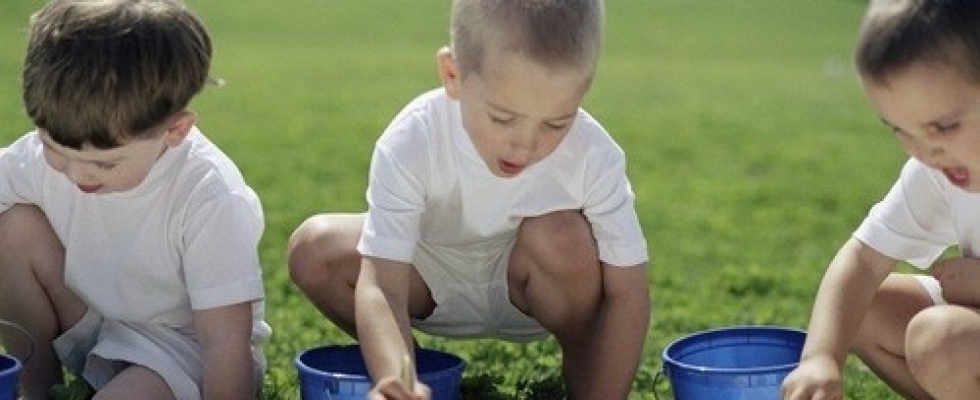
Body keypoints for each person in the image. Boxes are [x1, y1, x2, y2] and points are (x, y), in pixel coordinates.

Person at [287, 0, 651, 398]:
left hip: (531, 287)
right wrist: (400, 379)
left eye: (556, 123)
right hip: (429, 273)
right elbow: (383, 286)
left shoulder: (594, 153)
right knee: (312, 248)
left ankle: (584, 359)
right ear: (453, 75)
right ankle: (410, 372)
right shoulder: (414, 138)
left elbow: (629, 291)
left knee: (563, 235)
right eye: (502, 118)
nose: (525, 144)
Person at [0, 0, 271, 399]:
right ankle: (34, 388)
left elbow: (224, 341)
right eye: (54, 150)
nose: (77, 174)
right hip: (99, 325)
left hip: (183, 351)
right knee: (13, 231)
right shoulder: (49, 150)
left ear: (174, 131)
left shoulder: (208, 193)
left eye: (104, 163)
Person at [781, 1, 980, 399]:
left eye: (944, 126)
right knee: (862, 307)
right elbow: (863, 261)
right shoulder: (941, 166)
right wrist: (820, 357)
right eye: (900, 130)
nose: (925, 151)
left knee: (939, 338)